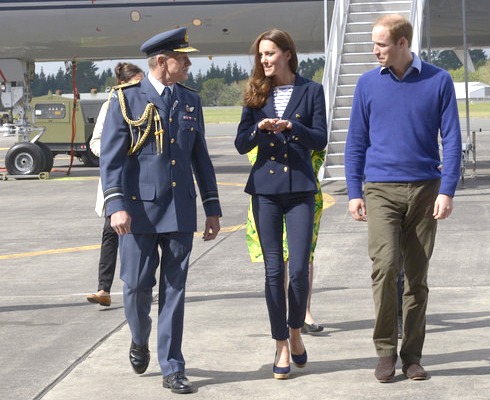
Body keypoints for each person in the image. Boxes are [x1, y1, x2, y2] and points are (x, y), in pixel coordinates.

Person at [99, 27, 222, 394]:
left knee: (175, 289)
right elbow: (112, 160)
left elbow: (200, 157)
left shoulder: (189, 100)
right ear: (161, 61)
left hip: (180, 209)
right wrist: (116, 205)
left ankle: (173, 366)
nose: (187, 63)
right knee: (136, 286)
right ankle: (139, 338)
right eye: (181, 57)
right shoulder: (126, 100)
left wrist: (212, 207)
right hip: (138, 212)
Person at [344, 14, 462, 382]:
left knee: (416, 277)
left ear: (402, 43)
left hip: (426, 189)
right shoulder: (366, 84)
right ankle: (384, 351)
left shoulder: (439, 80)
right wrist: (352, 192)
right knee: (385, 267)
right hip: (380, 189)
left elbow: (453, 140)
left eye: (381, 44)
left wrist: (447, 190)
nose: (374, 50)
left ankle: (411, 355)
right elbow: (355, 143)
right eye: (374, 43)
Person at [235, 28, 327, 380]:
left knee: (299, 269)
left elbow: (320, 137)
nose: (264, 60)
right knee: (274, 271)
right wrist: (261, 129)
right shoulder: (256, 93)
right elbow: (241, 143)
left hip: (301, 189)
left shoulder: (312, 91)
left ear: (288, 53)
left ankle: (295, 331)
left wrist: (292, 128)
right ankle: (282, 345)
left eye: (270, 53)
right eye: (261, 55)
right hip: (266, 191)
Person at [245, 148, 326, 334]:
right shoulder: (264, 119)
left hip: (303, 189)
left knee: (304, 256)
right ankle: (280, 317)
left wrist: (303, 172)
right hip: (269, 189)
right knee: (276, 258)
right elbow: (251, 149)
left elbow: (319, 147)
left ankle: (304, 312)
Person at [86, 62, 144, 307]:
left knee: (147, 239)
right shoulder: (111, 105)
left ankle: (143, 286)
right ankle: (103, 289)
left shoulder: (148, 104)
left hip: (144, 184)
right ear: (123, 85)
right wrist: (116, 154)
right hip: (117, 185)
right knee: (111, 235)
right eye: (137, 83)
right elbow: (96, 142)